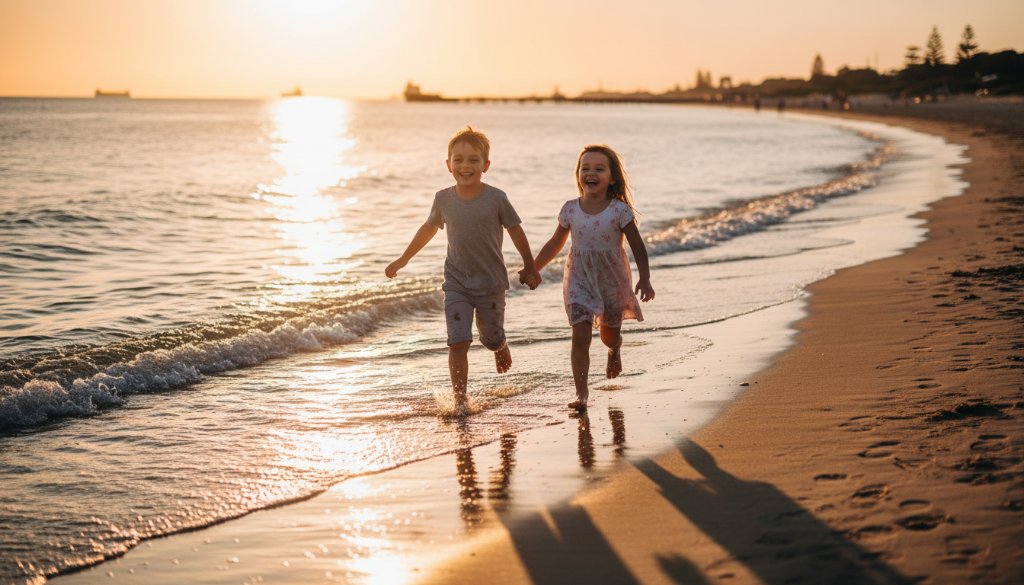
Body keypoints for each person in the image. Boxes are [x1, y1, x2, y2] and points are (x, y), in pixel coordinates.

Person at [385, 126, 540, 410]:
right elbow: (429, 228)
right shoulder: (443, 198)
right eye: (458, 160)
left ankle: (500, 345)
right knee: (458, 341)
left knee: (490, 337)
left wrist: (530, 266)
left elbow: (517, 231)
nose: (465, 166)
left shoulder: (496, 198)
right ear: (448, 165)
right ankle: (460, 401)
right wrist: (404, 259)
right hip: (456, 283)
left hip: (491, 283)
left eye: (473, 160)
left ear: (486, 165)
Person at [530, 144, 654, 410]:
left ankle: (614, 349)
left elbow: (638, 246)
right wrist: (534, 268)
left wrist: (644, 278)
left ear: (612, 178)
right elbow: (554, 244)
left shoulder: (619, 211)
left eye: (599, 168)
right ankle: (582, 394)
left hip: (611, 278)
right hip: (579, 278)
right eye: (585, 168)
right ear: (578, 174)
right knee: (580, 334)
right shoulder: (570, 210)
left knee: (608, 335)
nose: (591, 172)